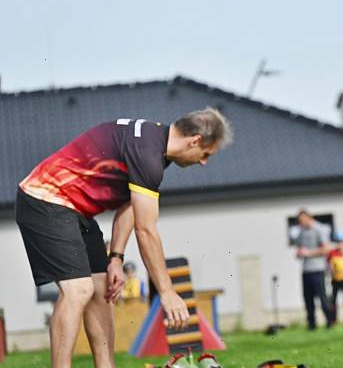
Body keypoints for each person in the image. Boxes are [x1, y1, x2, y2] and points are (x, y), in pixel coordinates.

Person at [15, 108, 232, 368]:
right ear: (195, 140)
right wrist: (167, 292)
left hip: (75, 210)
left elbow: (131, 204)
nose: (204, 161)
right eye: (206, 154)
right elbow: (146, 231)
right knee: (79, 289)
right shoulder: (148, 155)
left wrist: (115, 258)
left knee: (102, 289)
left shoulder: (155, 144)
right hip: (44, 199)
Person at [291, 210, 335, 330]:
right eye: (299, 221)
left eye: (303, 220)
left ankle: (330, 321)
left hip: (318, 269)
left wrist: (309, 253)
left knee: (322, 297)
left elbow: (327, 248)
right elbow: (300, 248)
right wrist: (300, 253)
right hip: (306, 270)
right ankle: (312, 324)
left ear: (309, 218)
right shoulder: (301, 232)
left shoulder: (319, 229)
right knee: (307, 298)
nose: (301, 223)